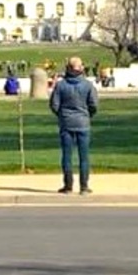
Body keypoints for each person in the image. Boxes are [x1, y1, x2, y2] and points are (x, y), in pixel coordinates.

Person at [49, 55, 98, 194]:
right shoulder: (88, 85)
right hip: (83, 122)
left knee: (67, 156)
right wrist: (87, 115)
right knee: (84, 156)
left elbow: (54, 104)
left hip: (66, 122)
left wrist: (62, 115)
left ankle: (68, 185)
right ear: (80, 68)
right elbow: (93, 105)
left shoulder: (61, 85)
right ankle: (84, 186)